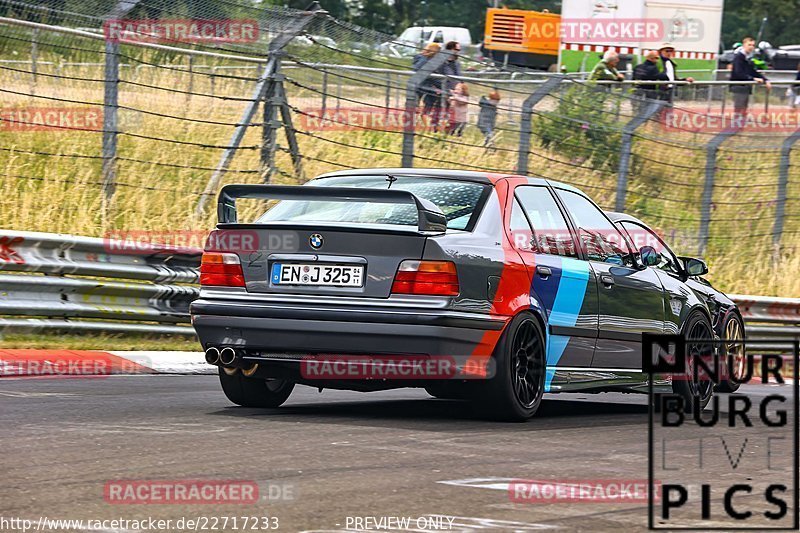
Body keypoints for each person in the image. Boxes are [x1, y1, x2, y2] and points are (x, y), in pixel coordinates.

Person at [730, 37, 771, 118]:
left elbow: (752, 71)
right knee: (739, 109)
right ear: (744, 45)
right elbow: (739, 73)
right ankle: (733, 128)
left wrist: (765, 80)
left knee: (744, 109)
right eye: (749, 45)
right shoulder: (739, 57)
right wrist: (752, 79)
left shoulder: (748, 58)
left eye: (753, 45)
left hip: (746, 87)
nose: (751, 47)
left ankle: (740, 127)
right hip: (738, 86)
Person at [438, 40, 462, 131]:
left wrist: (460, 86)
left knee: (457, 113)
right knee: (443, 112)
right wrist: (449, 90)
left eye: (459, 50)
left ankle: (451, 131)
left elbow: (459, 77)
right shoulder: (441, 62)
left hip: (456, 92)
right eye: (456, 49)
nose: (458, 52)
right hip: (445, 91)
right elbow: (440, 77)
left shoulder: (456, 63)